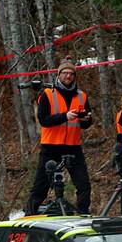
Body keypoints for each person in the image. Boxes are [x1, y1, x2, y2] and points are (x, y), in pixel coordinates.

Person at [24, 59, 93, 215]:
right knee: (41, 186)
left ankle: (83, 213)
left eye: (71, 73)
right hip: (51, 146)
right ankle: (29, 215)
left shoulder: (82, 96)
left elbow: (86, 123)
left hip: (73, 147)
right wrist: (65, 116)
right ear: (59, 75)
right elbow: (43, 120)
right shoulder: (48, 94)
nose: (68, 76)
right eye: (65, 73)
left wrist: (86, 120)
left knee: (84, 185)